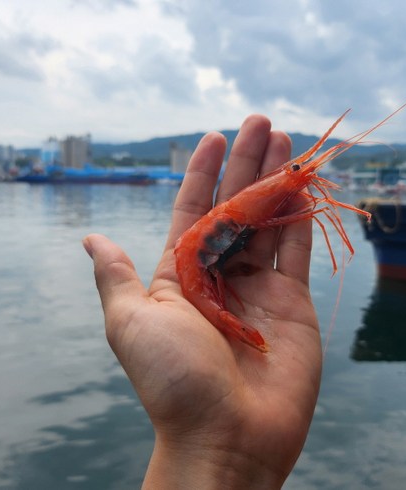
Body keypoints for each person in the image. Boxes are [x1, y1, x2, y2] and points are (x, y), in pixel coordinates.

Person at [82, 114, 322, 489]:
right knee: (308, 212)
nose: (298, 172)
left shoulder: (253, 204)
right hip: (199, 269)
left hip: (209, 262)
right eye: (293, 169)